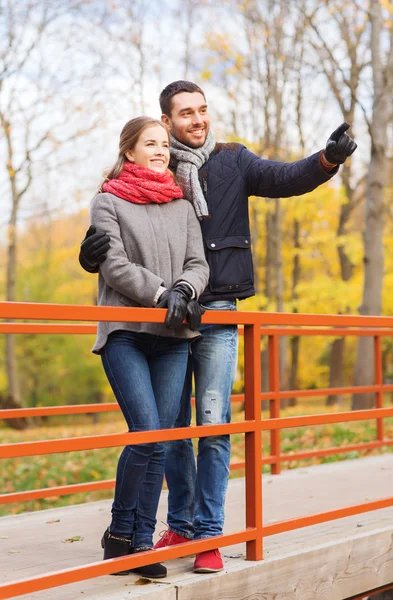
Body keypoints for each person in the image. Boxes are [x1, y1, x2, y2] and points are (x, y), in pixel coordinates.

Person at [80, 81, 357, 574]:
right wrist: (97, 259)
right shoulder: (144, 183)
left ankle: (205, 532)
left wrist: (326, 161)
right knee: (167, 430)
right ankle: (173, 526)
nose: (197, 119)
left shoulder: (230, 161)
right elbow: (120, 248)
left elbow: (284, 178)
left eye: (203, 110)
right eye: (185, 113)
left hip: (215, 310)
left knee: (213, 423)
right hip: (160, 319)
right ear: (165, 122)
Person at [89, 116, 209, 578]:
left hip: (173, 338)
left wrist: (185, 288)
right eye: (151, 144)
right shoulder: (107, 201)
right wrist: (163, 294)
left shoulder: (182, 206)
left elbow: (199, 263)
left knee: (160, 440)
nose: (160, 151)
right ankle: (123, 533)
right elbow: (112, 265)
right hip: (125, 333)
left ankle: (137, 541)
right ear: (129, 152)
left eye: (164, 144)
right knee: (146, 433)